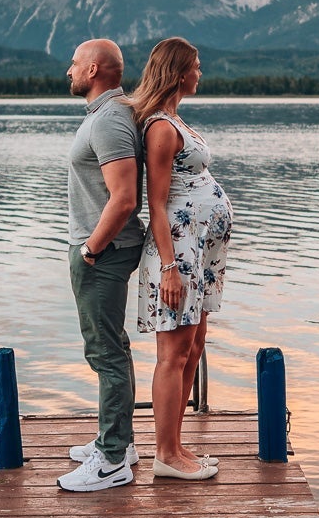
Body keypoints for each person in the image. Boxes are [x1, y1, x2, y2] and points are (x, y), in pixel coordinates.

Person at [131, 37, 232, 481]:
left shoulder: (176, 119)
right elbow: (155, 204)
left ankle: (175, 443)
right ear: (178, 72)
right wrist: (170, 269)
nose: (200, 73)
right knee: (172, 353)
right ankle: (165, 455)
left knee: (194, 346)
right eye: (196, 66)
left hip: (201, 254)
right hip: (179, 254)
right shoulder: (159, 128)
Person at [59, 38, 146, 492]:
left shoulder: (110, 119)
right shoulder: (107, 115)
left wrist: (90, 250)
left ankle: (112, 460)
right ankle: (120, 442)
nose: (67, 71)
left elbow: (126, 198)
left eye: (74, 64)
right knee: (113, 347)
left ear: (93, 69)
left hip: (105, 252)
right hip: (105, 248)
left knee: (105, 353)